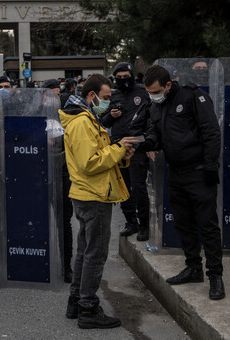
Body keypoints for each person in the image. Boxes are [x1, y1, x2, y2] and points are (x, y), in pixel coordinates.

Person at [60, 73, 137, 329]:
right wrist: (118, 149)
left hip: (88, 193)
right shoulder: (82, 121)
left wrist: (120, 153)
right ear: (91, 95)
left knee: (85, 251)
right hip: (93, 195)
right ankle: (88, 308)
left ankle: (77, 301)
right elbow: (90, 162)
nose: (108, 103)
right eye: (105, 98)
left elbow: (96, 154)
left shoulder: (85, 117)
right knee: (95, 254)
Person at [141, 65, 225, 300]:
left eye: (155, 91)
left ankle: (215, 276)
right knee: (183, 223)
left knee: (207, 225)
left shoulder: (192, 96)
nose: (152, 95)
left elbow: (211, 132)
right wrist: (149, 142)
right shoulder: (157, 104)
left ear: (168, 85)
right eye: (149, 92)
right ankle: (193, 267)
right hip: (175, 173)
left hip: (198, 172)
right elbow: (155, 131)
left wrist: (210, 167)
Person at [101, 62, 151, 241]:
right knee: (123, 188)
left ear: (131, 75)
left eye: (125, 76)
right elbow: (104, 121)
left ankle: (144, 224)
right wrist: (111, 115)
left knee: (139, 187)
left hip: (137, 145)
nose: (122, 80)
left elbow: (150, 120)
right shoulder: (114, 94)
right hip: (118, 148)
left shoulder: (142, 92)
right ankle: (131, 222)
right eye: (119, 77)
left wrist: (148, 144)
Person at [42, 78, 73, 283]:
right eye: (50, 94)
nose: (55, 97)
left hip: (62, 172)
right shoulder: (32, 115)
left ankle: (66, 266)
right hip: (39, 174)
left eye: (57, 93)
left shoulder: (66, 116)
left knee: (64, 222)